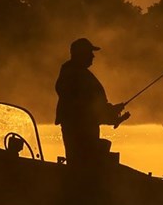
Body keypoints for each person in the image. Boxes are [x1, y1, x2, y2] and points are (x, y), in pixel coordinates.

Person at [55, 38, 130, 166]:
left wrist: (111, 113)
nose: (93, 56)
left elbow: (91, 108)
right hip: (82, 135)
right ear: (81, 54)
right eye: (90, 52)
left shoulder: (74, 73)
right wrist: (110, 113)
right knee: (83, 166)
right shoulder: (75, 75)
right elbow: (86, 110)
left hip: (83, 131)